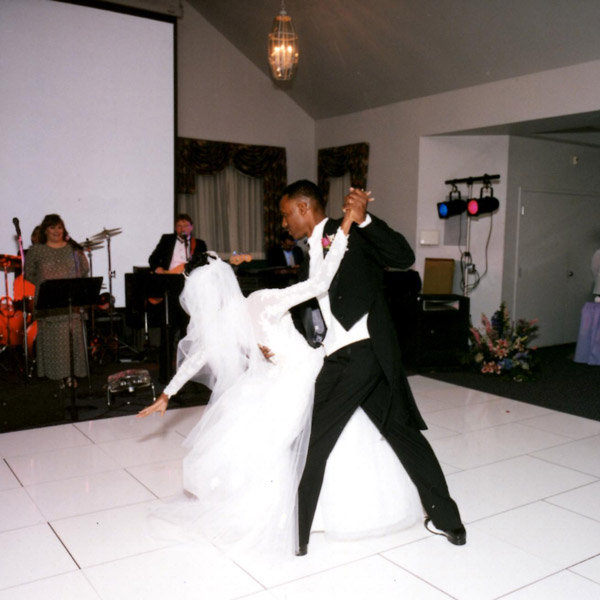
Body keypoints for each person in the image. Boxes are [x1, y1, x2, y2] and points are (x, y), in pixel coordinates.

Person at [137, 204, 422, 557]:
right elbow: (318, 283)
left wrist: (167, 393)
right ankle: (308, 514)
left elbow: (197, 356)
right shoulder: (261, 301)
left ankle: (301, 514)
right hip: (297, 374)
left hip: (291, 379)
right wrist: (343, 231)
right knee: (302, 440)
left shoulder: (235, 319)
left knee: (289, 438)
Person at [279, 180, 466, 556]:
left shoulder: (349, 231)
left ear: (303, 208)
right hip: (353, 356)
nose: (283, 223)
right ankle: (450, 521)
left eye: (286, 215)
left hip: (358, 352)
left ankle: (294, 538)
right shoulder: (309, 252)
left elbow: (402, 255)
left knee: (310, 440)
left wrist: (365, 221)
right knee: (404, 435)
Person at [25, 214, 89, 387]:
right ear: (45, 230)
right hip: (49, 305)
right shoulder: (37, 250)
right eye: (52, 227)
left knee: (72, 340)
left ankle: (71, 376)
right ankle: (58, 378)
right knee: (54, 343)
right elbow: (29, 274)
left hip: (71, 303)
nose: (56, 231)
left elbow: (84, 269)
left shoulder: (73, 249)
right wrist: (44, 284)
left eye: (59, 227)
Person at [148, 214, 208, 382]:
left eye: (185, 225)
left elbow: (205, 263)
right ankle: (165, 374)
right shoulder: (167, 240)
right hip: (170, 287)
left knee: (188, 330)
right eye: (179, 225)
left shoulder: (199, 244)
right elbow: (153, 258)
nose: (182, 228)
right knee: (167, 331)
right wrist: (159, 268)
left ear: (191, 227)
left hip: (190, 288)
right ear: (175, 228)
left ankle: (190, 373)